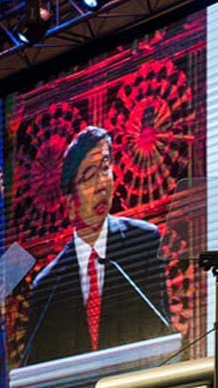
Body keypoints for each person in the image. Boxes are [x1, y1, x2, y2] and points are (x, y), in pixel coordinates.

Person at [22, 126, 172, 366]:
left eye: (105, 167)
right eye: (89, 175)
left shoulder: (142, 242)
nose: (102, 183)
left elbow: (162, 335)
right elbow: (34, 368)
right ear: (70, 202)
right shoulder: (47, 286)